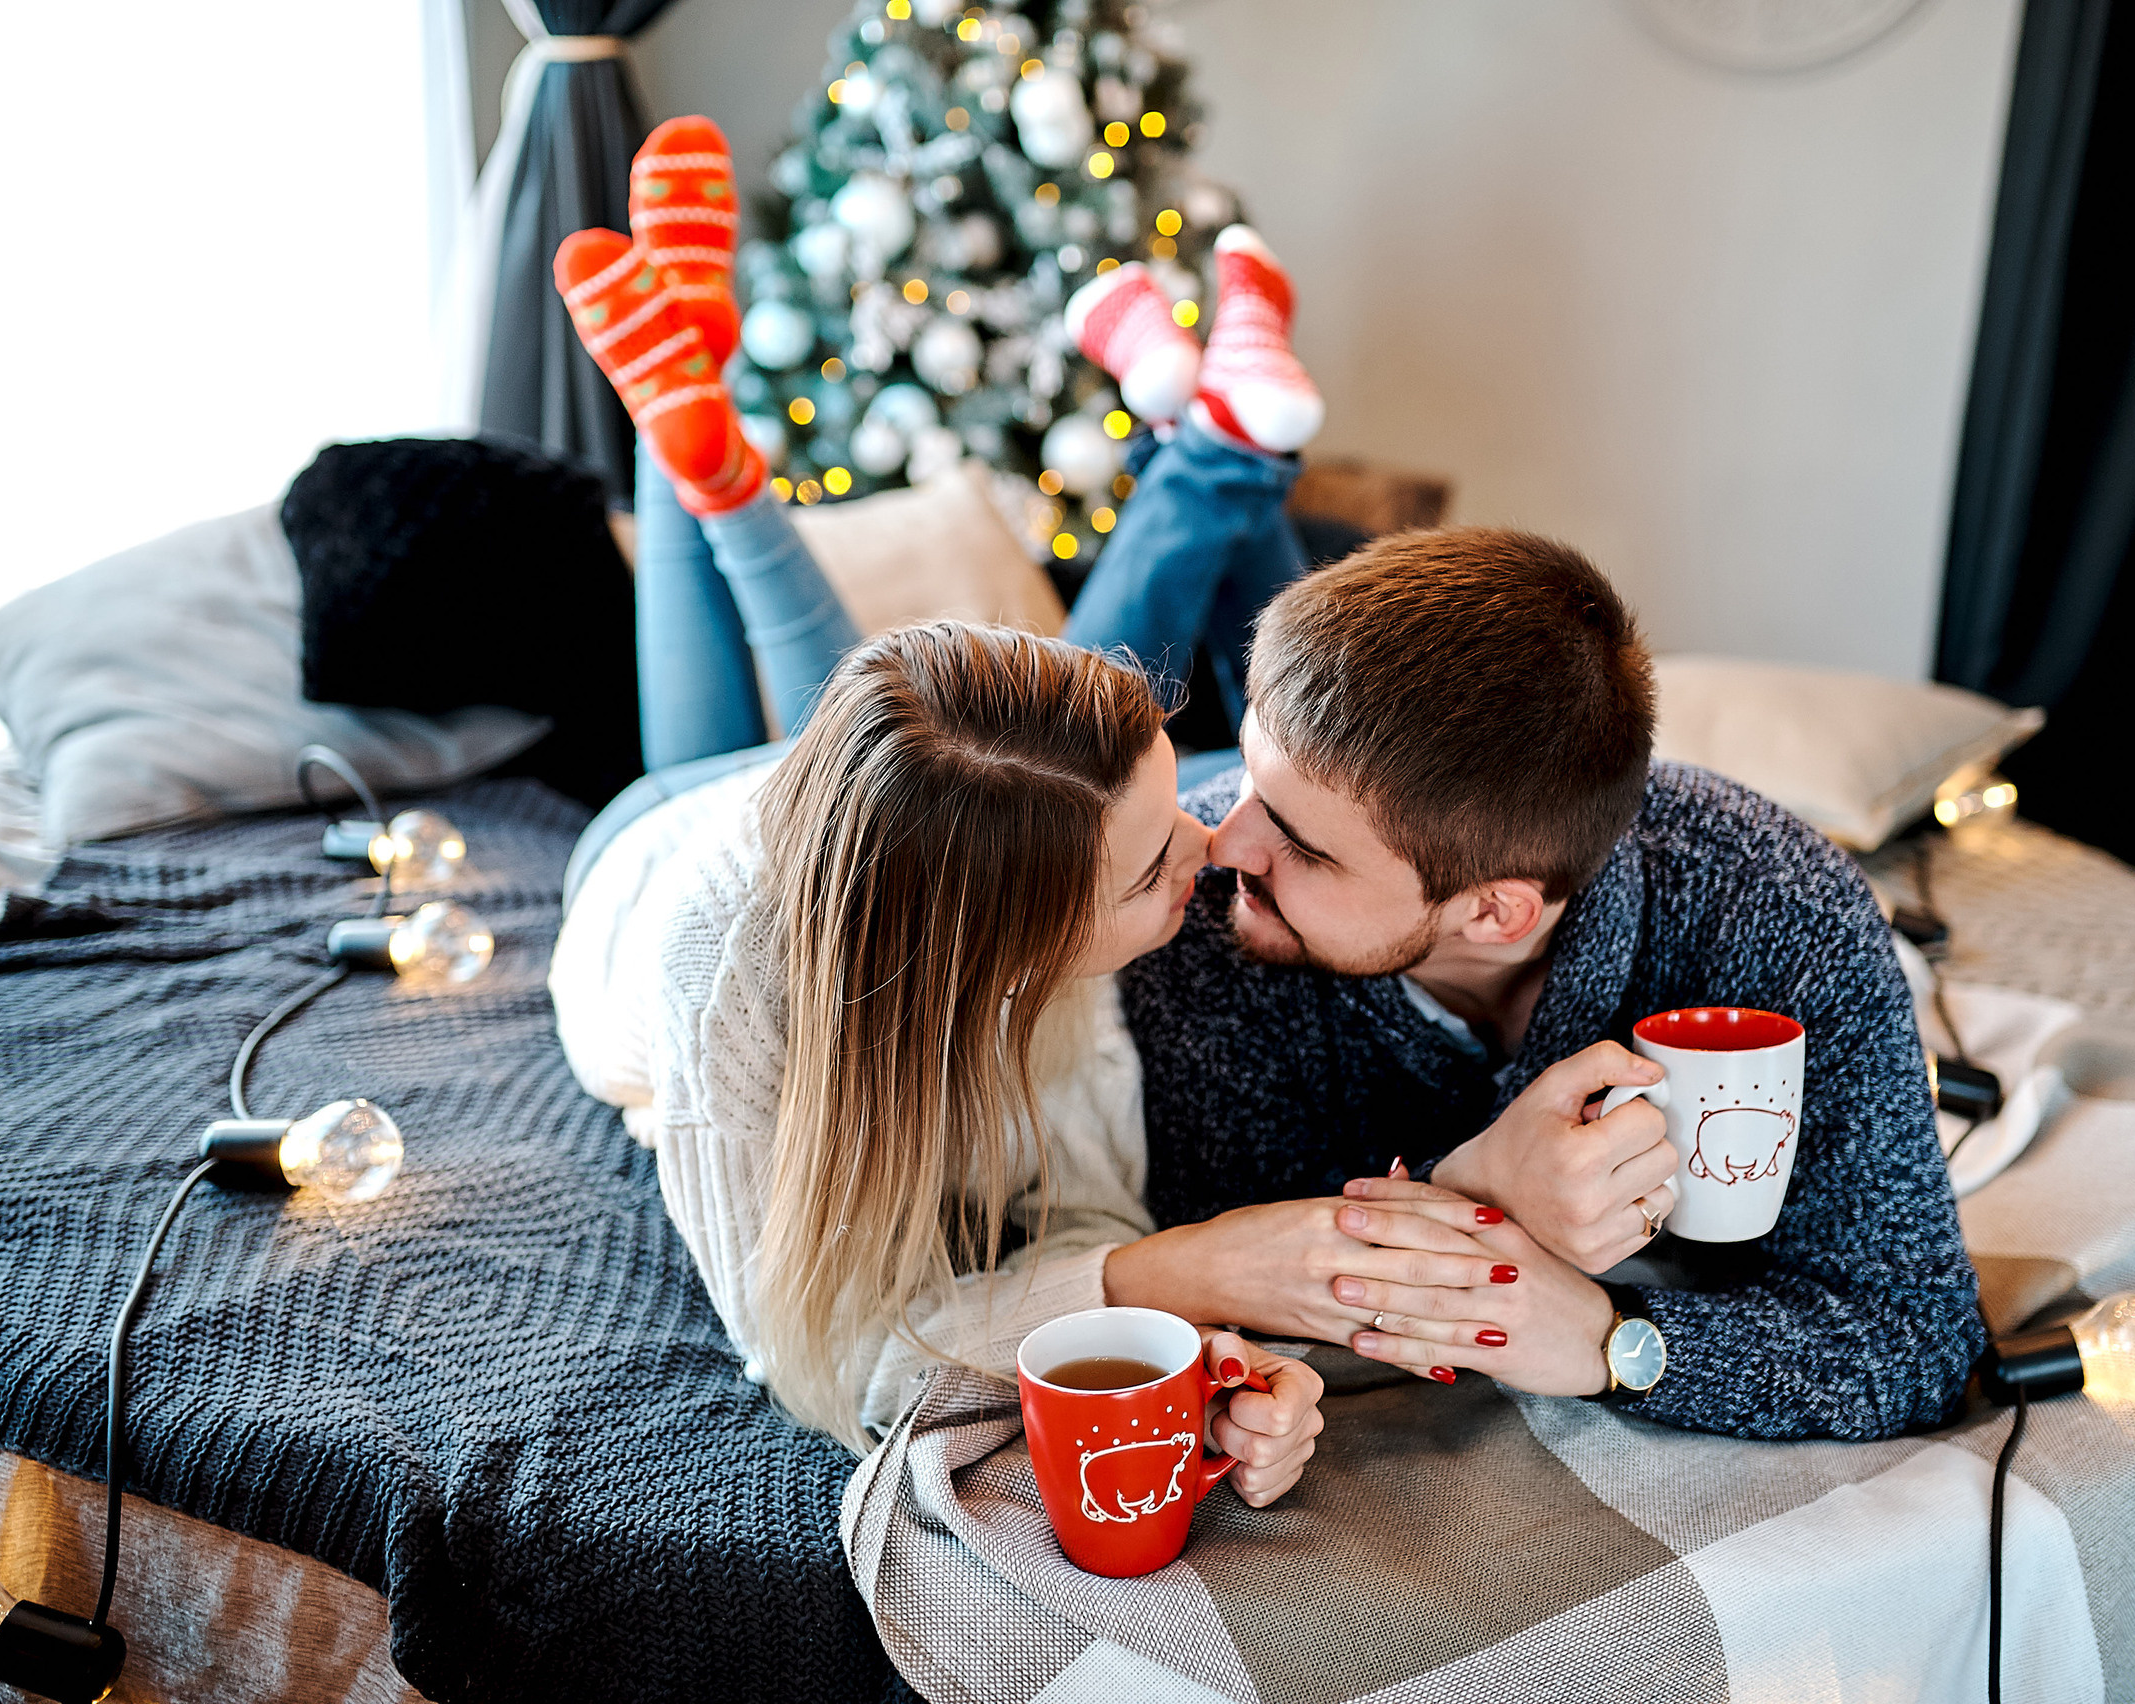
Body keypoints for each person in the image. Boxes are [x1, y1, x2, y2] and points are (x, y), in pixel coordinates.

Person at [545, 118, 1343, 1480]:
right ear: (1003, 940)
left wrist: (1184, 1338)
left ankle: (702, 409)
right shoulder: (721, 987)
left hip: (844, 799)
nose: (1212, 848)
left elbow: (1082, 1212)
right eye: (1157, 864)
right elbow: (819, 1360)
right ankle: (692, 429)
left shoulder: (1022, 864)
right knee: (716, 740)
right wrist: (1188, 1270)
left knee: (870, 712)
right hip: (640, 860)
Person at [1093, 521, 1987, 1439]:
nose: (1222, 843)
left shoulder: (1784, 916)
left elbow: (1915, 1339)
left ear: (1496, 913)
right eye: (1247, 771)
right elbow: (1223, 1255)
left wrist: (1610, 1340)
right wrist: (1480, 1193)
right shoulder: (1196, 917)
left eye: (1305, 848)